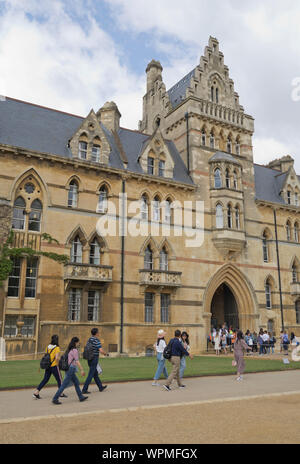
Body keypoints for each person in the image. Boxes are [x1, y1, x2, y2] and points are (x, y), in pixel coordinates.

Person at [52, 336, 88, 404]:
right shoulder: (74, 350)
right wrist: (82, 370)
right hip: (71, 369)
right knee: (64, 385)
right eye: (78, 342)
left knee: (76, 382)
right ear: (75, 342)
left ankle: (81, 397)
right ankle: (55, 398)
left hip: (69, 368)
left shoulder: (69, 349)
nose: (78, 344)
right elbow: (77, 361)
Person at [33, 335, 66, 399]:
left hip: (48, 366)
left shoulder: (48, 347)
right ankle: (61, 393)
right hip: (54, 366)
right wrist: (59, 363)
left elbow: (46, 355)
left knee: (45, 379)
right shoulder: (57, 348)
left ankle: (36, 392)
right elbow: (57, 358)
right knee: (59, 379)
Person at [82, 328, 108, 395]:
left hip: (89, 358)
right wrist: (106, 354)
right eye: (98, 332)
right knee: (91, 374)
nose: (99, 333)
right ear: (96, 333)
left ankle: (100, 387)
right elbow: (101, 350)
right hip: (94, 358)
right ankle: (84, 389)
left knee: (95, 373)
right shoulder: (96, 340)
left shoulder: (89, 339)